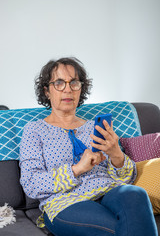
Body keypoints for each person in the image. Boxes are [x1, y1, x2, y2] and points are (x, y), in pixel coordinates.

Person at [20, 57, 158, 236]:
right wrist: (76, 169)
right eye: (59, 83)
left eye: (74, 82)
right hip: (66, 201)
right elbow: (31, 183)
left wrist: (117, 154)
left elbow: (127, 178)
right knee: (120, 229)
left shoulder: (97, 126)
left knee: (136, 193)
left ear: (81, 88)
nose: (68, 89)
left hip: (109, 190)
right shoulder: (34, 130)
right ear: (47, 90)